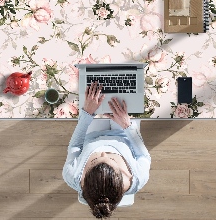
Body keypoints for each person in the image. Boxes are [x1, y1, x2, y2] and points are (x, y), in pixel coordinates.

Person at [63, 81, 151, 218]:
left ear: (84, 178)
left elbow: (75, 146)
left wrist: (87, 113)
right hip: (124, 134)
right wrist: (127, 125)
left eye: (95, 160)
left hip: (92, 135)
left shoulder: (72, 176)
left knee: (91, 97)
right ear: (123, 176)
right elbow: (143, 156)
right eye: (111, 159)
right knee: (128, 94)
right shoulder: (139, 178)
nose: (103, 152)